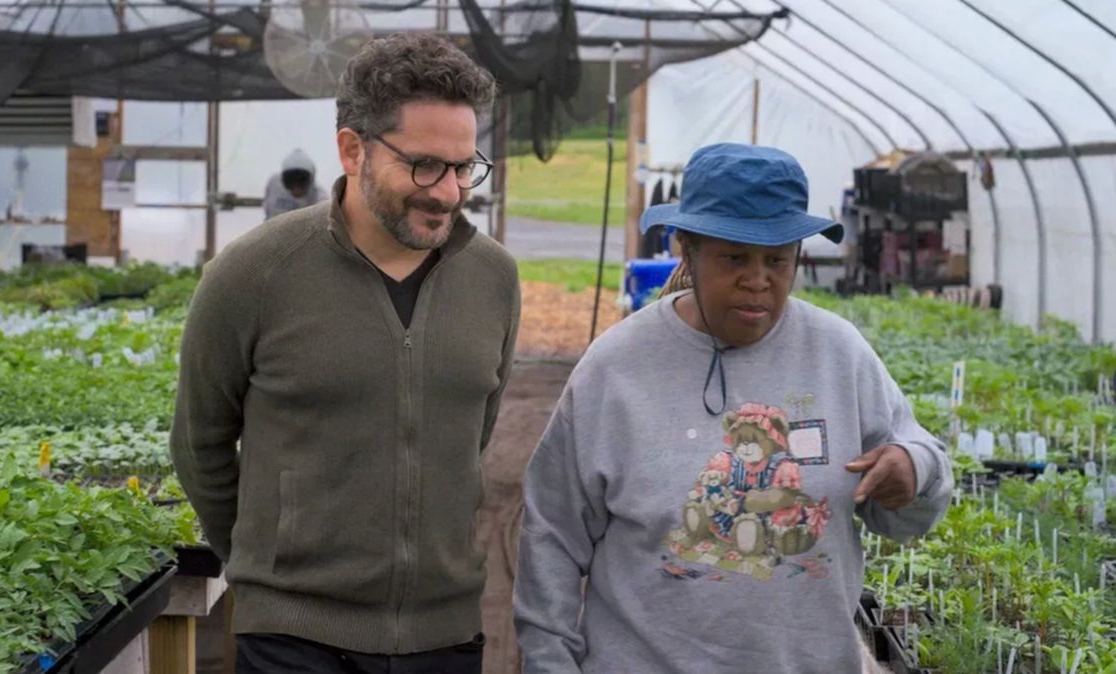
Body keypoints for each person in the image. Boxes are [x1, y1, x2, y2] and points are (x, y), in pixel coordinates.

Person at [514, 143, 951, 673]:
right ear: (687, 250)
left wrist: (913, 468)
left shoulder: (838, 353)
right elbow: (552, 537)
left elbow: (912, 495)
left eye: (777, 259)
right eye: (734, 257)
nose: (758, 278)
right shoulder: (617, 368)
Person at [170, 32, 520, 674]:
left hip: (445, 634)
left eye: (463, 166)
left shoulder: (493, 278)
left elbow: (471, 434)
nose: (446, 191)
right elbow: (199, 443)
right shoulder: (254, 274)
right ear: (352, 148)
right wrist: (269, 564)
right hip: (292, 640)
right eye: (423, 165)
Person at [263, 148, 329, 219]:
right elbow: (267, 210)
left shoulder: (320, 200)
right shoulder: (274, 185)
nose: (296, 190)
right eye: (290, 183)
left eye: (301, 184)